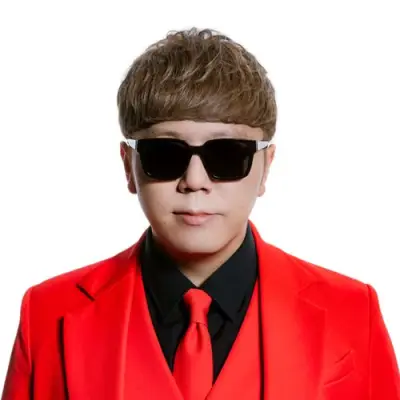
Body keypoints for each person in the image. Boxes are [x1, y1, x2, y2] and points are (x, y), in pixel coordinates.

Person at [2, 28, 399, 400]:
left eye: (227, 156)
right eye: (164, 155)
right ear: (129, 167)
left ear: (265, 167)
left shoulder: (353, 312)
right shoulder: (47, 314)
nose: (195, 181)